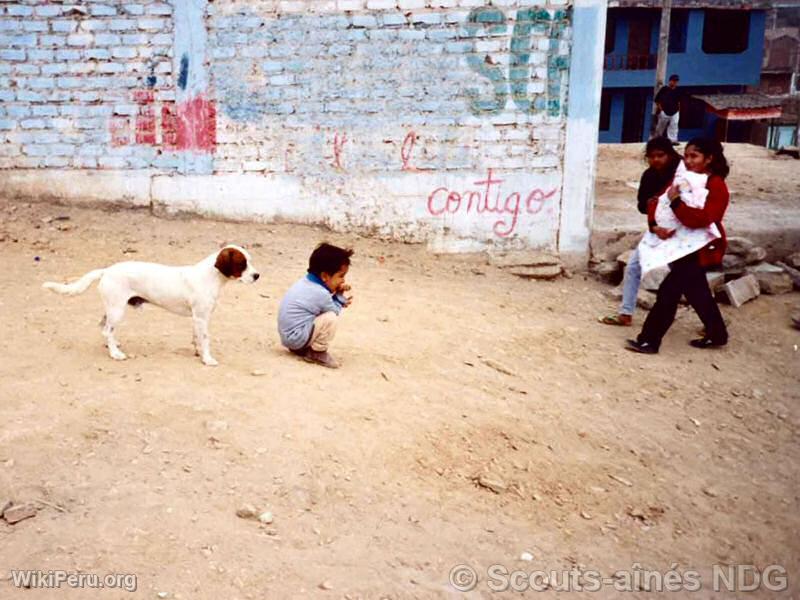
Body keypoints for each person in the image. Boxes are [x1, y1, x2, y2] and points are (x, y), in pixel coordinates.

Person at [627, 137, 730, 354]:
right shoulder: (682, 178)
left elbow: (701, 219)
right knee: (697, 292)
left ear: (709, 159)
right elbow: (657, 202)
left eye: (695, 156)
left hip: (700, 249)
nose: (689, 161)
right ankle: (717, 334)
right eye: (687, 156)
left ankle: (649, 340)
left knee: (669, 292)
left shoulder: (716, 185)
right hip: (679, 246)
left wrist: (676, 203)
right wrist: (654, 226)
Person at [600, 137, 681, 327]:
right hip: (656, 229)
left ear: (669, 155)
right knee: (633, 267)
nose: (656, 160)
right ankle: (625, 313)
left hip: (680, 232)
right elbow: (642, 205)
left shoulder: (682, 175)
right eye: (652, 156)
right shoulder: (649, 176)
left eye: (660, 155)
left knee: (686, 276)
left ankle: (711, 324)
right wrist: (654, 206)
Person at [278, 243, 353, 368]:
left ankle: (302, 348)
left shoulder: (305, 282)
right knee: (330, 318)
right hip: (296, 338)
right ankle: (317, 353)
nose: (343, 281)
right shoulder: (320, 293)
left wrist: (335, 294)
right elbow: (334, 311)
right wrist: (339, 297)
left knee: (321, 315)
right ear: (324, 276)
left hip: (289, 337)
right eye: (341, 276)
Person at [653, 74, 681, 144]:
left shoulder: (678, 90)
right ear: (670, 81)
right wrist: (661, 109)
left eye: (676, 81)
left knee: (674, 125)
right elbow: (657, 100)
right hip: (664, 111)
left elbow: (679, 101)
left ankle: (672, 140)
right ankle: (657, 139)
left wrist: (678, 110)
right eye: (673, 81)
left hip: (675, 111)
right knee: (661, 126)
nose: (675, 82)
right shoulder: (664, 89)